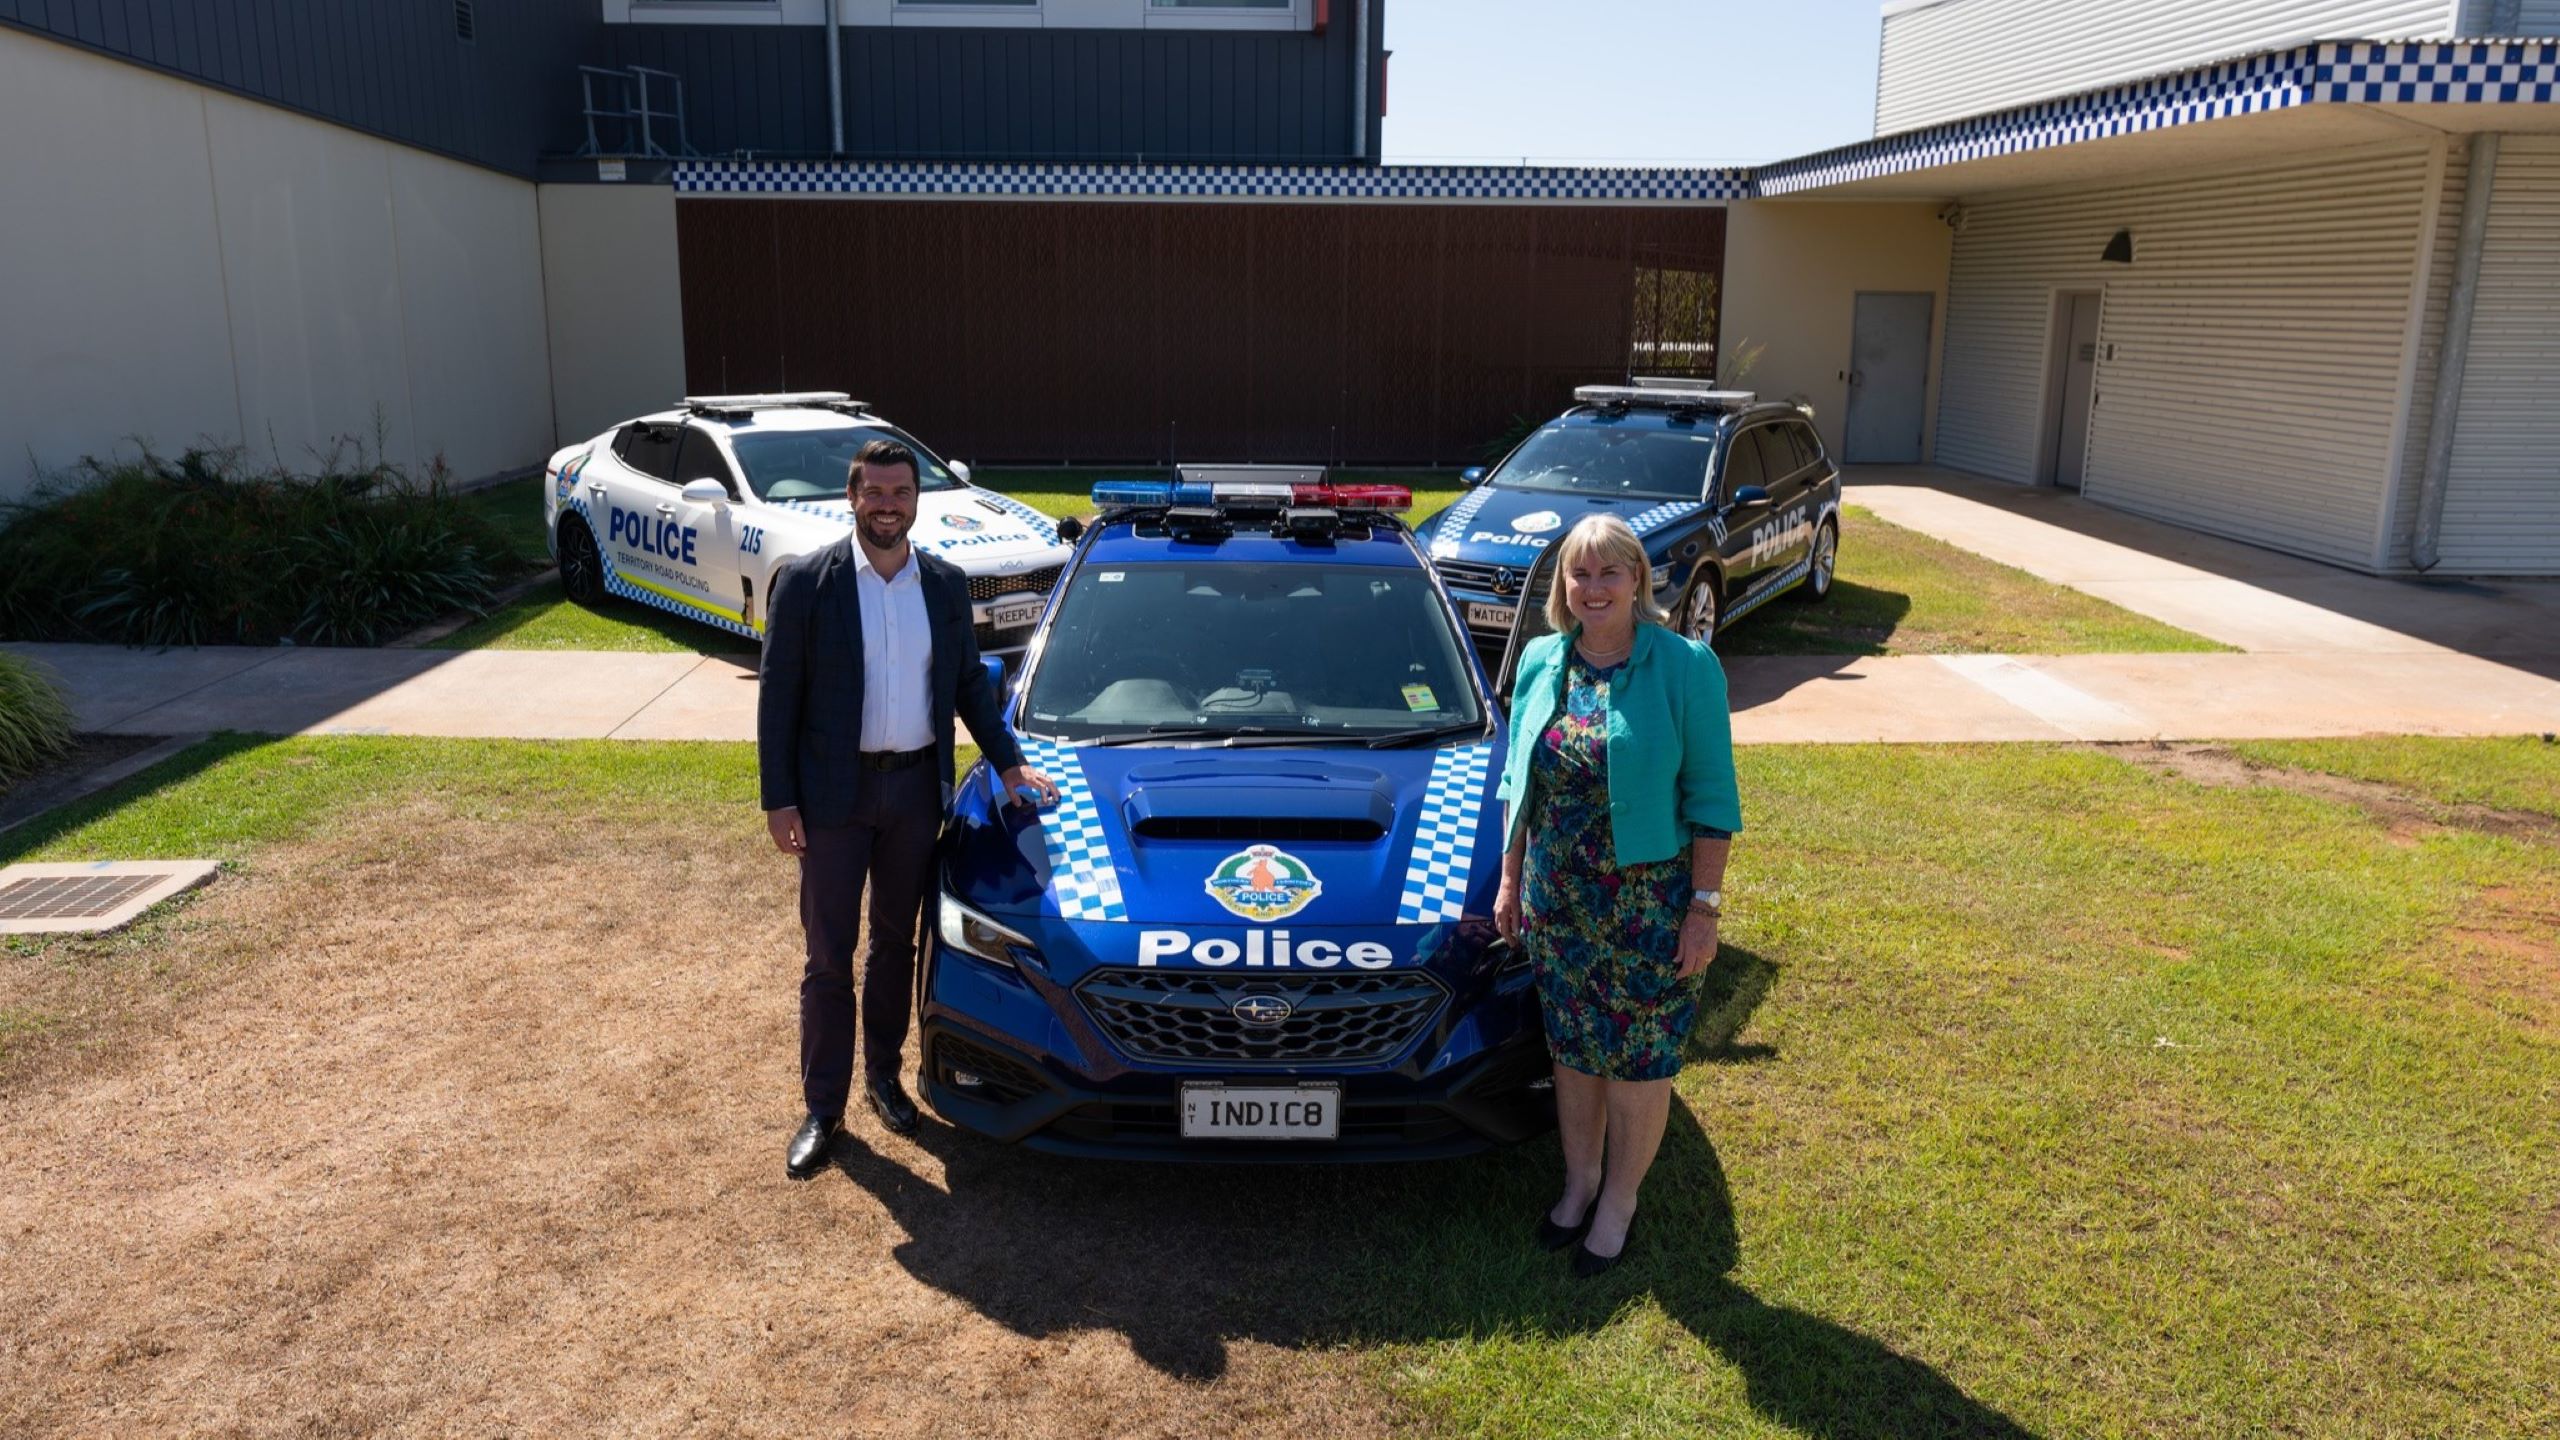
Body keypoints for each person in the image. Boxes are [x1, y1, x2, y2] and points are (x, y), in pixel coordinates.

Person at [758, 439, 1058, 1180]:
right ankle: (823, 1108)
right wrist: (779, 799)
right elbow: (777, 701)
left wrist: (1009, 760)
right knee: (828, 955)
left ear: (916, 501)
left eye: (901, 493)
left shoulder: (945, 586)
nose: (888, 505)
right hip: (834, 797)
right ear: (852, 497)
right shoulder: (807, 584)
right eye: (875, 493)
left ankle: (884, 1078)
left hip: (915, 794)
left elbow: (965, 687)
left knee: (896, 946)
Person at [1493, 514, 1741, 1277]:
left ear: (1638, 578)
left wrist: (1703, 910)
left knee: (1637, 1061)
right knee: (1573, 1052)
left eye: (1609, 572)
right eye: (1579, 574)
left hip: (1647, 907)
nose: (1593, 588)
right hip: (1558, 901)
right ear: (1564, 588)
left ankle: (1620, 1203)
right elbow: (1518, 785)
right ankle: (1580, 1182)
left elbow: (1711, 797)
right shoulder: (1542, 659)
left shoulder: (1685, 666)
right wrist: (1509, 878)